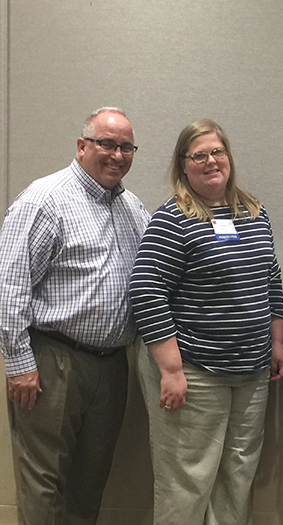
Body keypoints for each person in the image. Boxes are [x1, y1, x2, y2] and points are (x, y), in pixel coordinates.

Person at [129, 118, 283, 525]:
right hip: (194, 373)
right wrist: (171, 369)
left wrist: (276, 341)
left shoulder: (253, 211)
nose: (211, 161)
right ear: (183, 165)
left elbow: (269, 278)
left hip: (250, 373)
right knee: (187, 483)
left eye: (218, 152)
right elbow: (146, 292)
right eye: (199, 155)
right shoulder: (173, 219)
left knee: (237, 479)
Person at [0, 107, 149, 524]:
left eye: (125, 147)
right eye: (106, 143)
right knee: (44, 485)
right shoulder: (45, 199)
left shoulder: (132, 209)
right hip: (53, 363)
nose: (116, 155)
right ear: (83, 146)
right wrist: (19, 366)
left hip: (111, 366)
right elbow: (10, 286)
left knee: (90, 484)